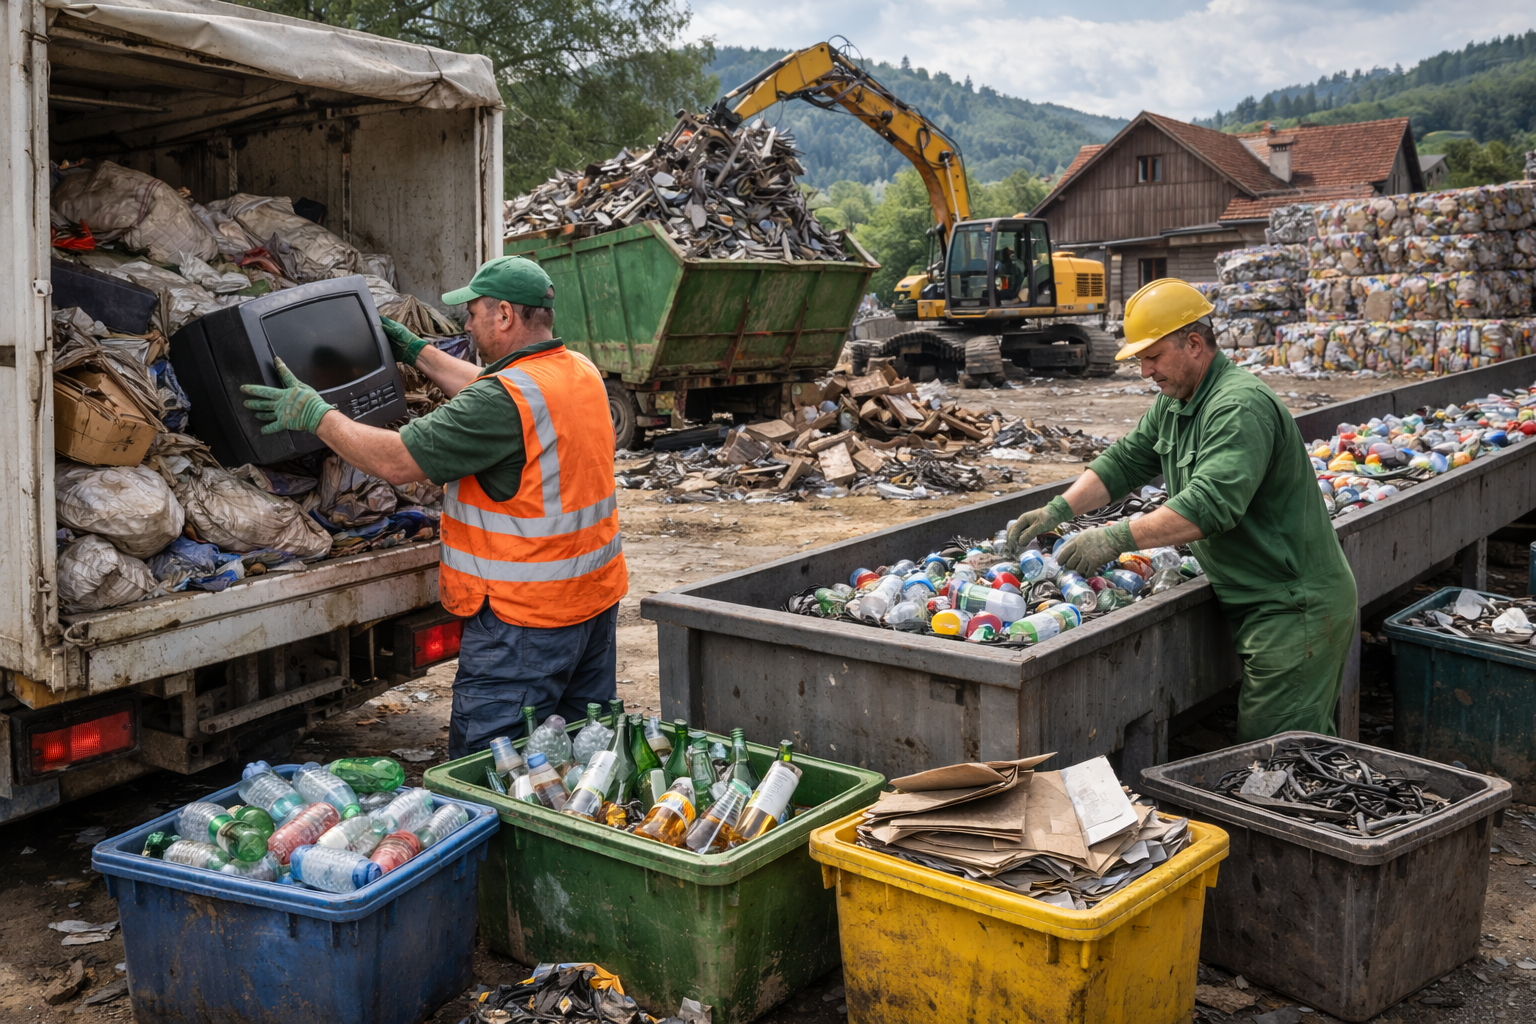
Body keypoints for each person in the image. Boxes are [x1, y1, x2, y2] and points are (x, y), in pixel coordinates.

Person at [241, 256, 627, 758]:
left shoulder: (503, 401)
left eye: (473, 313)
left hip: (523, 623)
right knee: (581, 760)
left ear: (505, 315)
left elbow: (398, 460)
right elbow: (492, 392)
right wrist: (418, 352)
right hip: (592, 606)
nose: (466, 324)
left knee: (494, 770)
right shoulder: (577, 371)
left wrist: (317, 415)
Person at [1006, 278, 1356, 741]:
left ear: (1193, 344)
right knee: (1283, 749)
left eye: (1152, 357)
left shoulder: (1237, 406)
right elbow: (1126, 460)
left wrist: (1114, 538)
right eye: (1141, 359)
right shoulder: (1177, 400)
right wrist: (1058, 508)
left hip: (1293, 605)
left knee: (1277, 755)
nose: (1145, 371)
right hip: (1253, 596)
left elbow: (1208, 507)